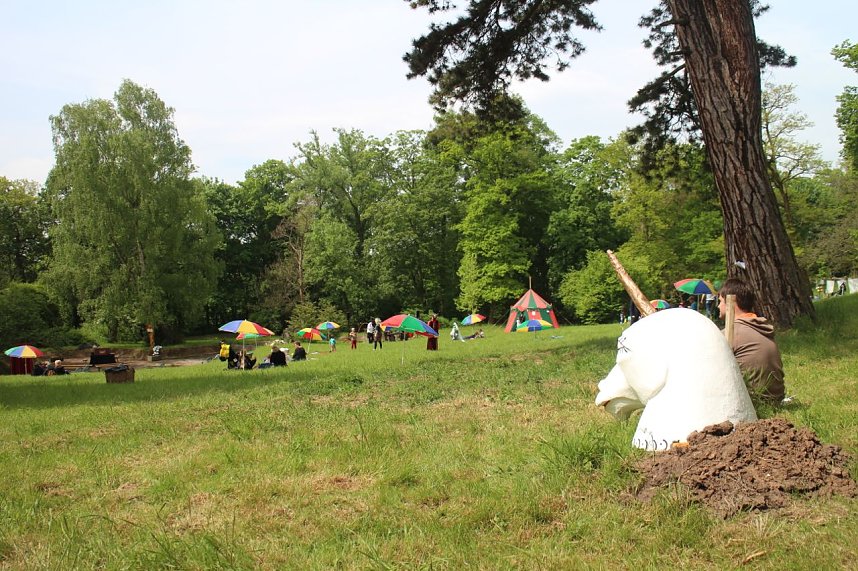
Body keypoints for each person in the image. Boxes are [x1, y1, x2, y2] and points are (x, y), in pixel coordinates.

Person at [719, 278, 785, 403]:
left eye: (720, 301)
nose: (718, 306)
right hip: (776, 398)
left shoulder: (732, 332)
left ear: (730, 302)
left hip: (752, 401)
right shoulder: (761, 328)